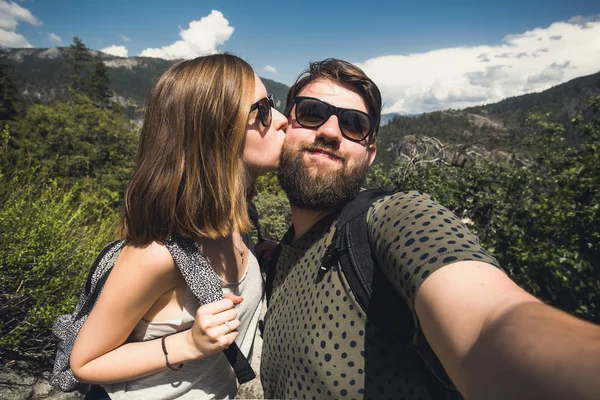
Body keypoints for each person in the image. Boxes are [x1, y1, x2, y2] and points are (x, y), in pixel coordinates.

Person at [259, 58, 600, 400]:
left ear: (370, 153)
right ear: (284, 127)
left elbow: (489, 321)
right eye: (312, 113)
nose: (331, 132)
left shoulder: (394, 217)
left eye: (353, 124)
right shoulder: (281, 257)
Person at [68, 54, 287, 399]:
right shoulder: (156, 254)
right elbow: (85, 361)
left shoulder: (236, 219)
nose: (282, 120)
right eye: (261, 111)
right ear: (217, 134)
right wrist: (188, 343)